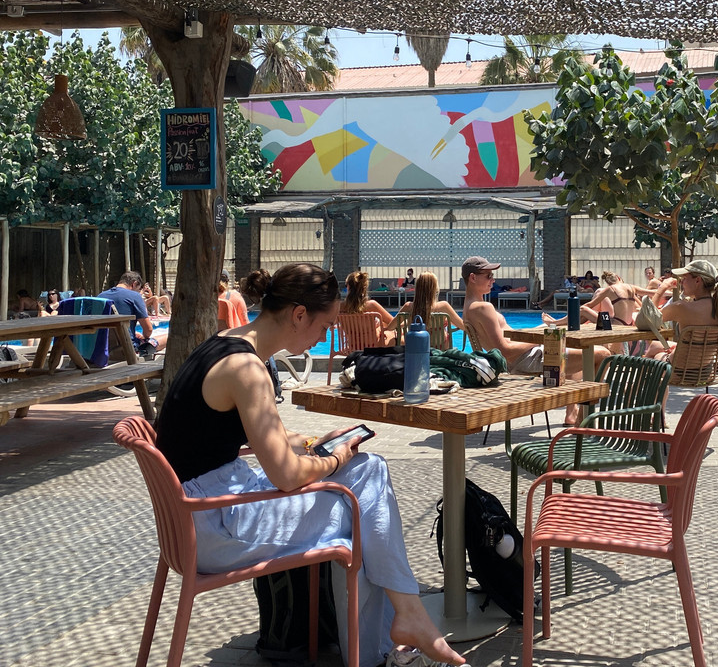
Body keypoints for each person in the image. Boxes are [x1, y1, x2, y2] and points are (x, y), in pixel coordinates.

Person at [153, 263, 465, 667]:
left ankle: (404, 621)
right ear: (299, 314)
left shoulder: (226, 344)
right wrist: (334, 459)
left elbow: (253, 436)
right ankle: (387, 641)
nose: (324, 337)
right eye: (325, 326)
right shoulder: (247, 370)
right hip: (215, 527)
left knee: (368, 472)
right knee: (363, 510)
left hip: (201, 511)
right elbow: (285, 476)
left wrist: (311, 444)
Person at [462, 256, 605, 423]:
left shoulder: (469, 307)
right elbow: (506, 351)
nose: (493, 280)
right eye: (489, 276)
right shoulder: (483, 307)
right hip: (523, 361)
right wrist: (544, 338)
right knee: (603, 354)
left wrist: (540, 330)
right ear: (473, 278)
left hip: (520, 358)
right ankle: (583, 420)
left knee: (577, 356)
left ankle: (572, 413)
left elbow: (507, 340)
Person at [646, 259, 718, 359]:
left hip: (680, 366)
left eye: (684, 278)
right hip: (706, 364)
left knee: (656, 356)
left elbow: (648, 318)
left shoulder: (682, 307)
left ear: (697, 280)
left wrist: (662, 288)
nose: (681, 281)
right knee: (655, 345)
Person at [542, 270, 647, 328]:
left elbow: (589, 305)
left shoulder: (610, 289)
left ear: (608, 283)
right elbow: (648, 296)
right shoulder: (630, 288)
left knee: (583, 309)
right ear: (619, 278)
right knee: (590, 312)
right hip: (626, 323)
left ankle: (556, 323)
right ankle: (564, 322)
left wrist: (576, 311)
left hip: (615, 325)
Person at [97, 271, 168, 355]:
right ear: (134, 284)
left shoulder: (100, 296)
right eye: (138, 289)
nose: (138, 292)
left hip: (103, 348)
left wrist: (131, 332)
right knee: (168, 336)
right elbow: (148, 330)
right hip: (127, 349)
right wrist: (144, 336)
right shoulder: (134, 296)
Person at [397, 272, 464, 349]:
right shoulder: (443, 306)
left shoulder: (408, 307)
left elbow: (392, 327)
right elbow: (463, 327)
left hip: (416, 350)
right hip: (441, 350)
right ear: (435, 288)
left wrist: (407, 322)